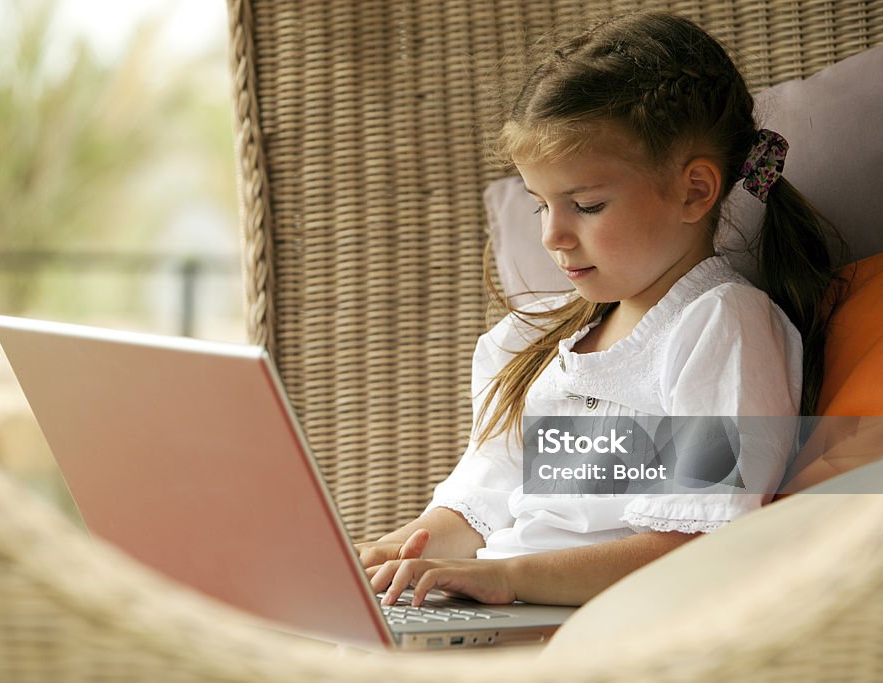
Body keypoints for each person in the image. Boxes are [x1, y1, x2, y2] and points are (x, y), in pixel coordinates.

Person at [357, 11, 843, 608]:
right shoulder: (529, 344)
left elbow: (697, 546)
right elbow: (478, 504)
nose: (552, 236)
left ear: (694, 191)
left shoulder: (720, 328)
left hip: (605, 623)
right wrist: (399, 552)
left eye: (585, 205)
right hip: (498, 606)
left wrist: (508, 580)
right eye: (540, 205)